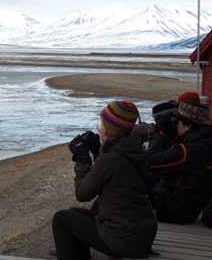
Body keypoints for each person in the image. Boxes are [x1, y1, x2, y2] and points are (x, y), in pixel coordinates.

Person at [52, 101, 157, 260]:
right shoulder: (136, 150)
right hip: (142, 234)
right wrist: (98, 150)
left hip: (126, 240)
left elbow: (82, 194)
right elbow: (114, 177)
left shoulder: (110, 160)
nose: (99, 128)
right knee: (74, 214)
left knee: (61, 220)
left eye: (102, 124)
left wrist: (82, 160)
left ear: (110, 130)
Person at [146, 92, 212, 224]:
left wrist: (159, 134)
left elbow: (150, 161)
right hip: (186, 204)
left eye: (177, 122)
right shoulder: (209, 137)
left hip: (177, 210)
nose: (175, 126)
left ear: (188, 125)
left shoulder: (191, 149)